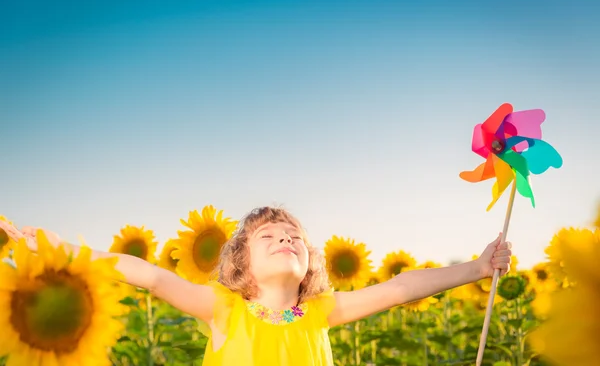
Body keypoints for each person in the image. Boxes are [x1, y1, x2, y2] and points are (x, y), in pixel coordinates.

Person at [0, 206, 512, 365]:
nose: (286, 239)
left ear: (309, 260)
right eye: (269, 235)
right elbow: (149, 275)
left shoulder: (322, 311)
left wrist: (476, 267)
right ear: (239, 261)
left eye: (294, 236)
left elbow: (401, 287)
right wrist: (64, 252)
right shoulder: (221, 307)